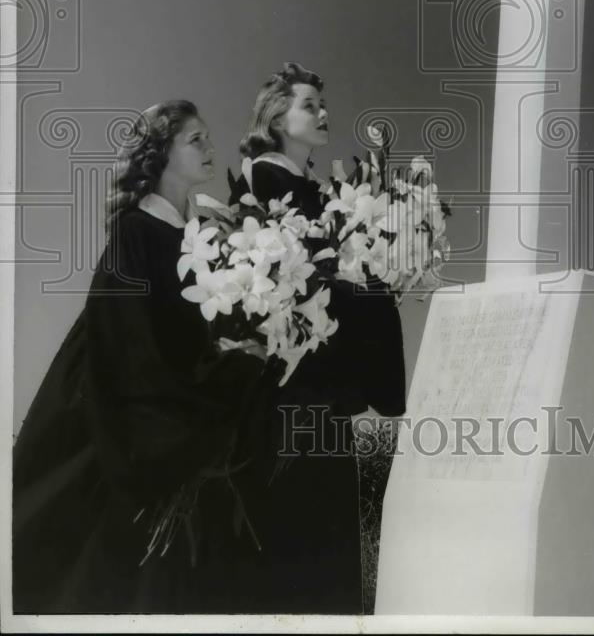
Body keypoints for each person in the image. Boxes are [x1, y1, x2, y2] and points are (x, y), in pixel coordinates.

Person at [12, 100, 280, 614]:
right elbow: (126, 344)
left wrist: (236, 352)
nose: (209, 146)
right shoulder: (135, 232)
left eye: (208, 137)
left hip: (182, 400)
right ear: (159, 155)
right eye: (194, 139)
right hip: (127, 415)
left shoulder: (205, 235)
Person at [228, 62, 407, 615]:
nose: (324, 113)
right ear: (277, 116)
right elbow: (304, 284)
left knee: (321, 548)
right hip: (291, 398)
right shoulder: (267, 182)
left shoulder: (309, 188)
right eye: (310, 105)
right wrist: (372, 285)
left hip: (318, 395)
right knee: (300, 551)